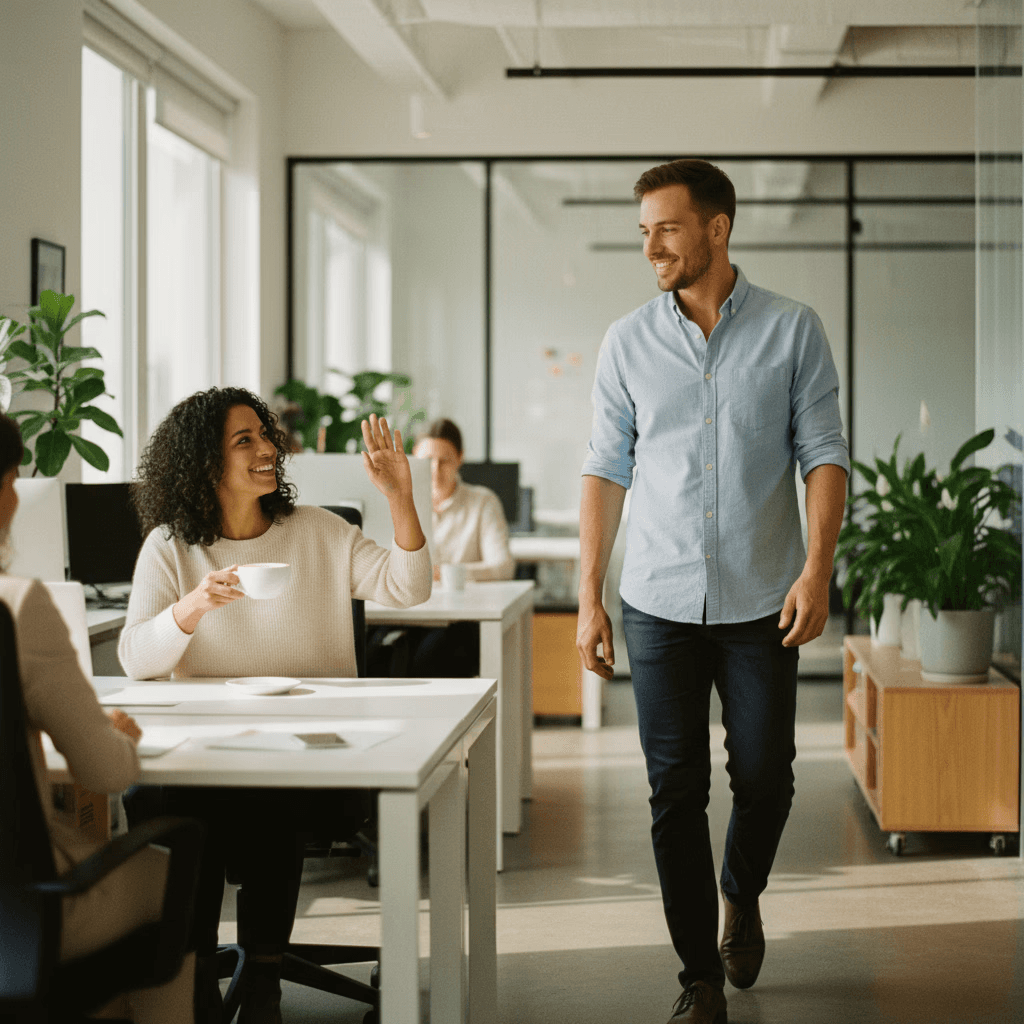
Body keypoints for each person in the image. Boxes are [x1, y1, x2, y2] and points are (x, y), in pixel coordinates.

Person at [576, 160, 849, 1024]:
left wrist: (818, 567)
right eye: (644, 231)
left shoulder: (793, 330)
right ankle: (697, 975)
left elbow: (825, 455)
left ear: (717, 228)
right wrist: (590, 594)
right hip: (657, 599)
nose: (650, 245)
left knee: (766, 778)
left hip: (763, 596)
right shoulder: (626, 341)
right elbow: (604, 470)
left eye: (667, 227)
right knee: (673, 788)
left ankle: (742, 888)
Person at [119, 387, 431, 1024]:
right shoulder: (170, 547)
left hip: (309, 757)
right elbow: (134, 658)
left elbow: (409, 587)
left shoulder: (317, 531)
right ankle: (194, 976)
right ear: (205, 463)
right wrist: (191, 608)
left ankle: (262, 976)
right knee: (178, 800)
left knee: (270, 797)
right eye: (246, 441)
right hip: (209, 754)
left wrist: (398, 496)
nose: (269, 448)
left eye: (265, 435)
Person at [0, 412, 195, 1023]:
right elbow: (107, 773)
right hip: (22, 920)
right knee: (166, 873)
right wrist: (116, 735)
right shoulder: (18, 607)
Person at [370, 417, 514, 678]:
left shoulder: (482, 502)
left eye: (444, 461)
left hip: (456, 619)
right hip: (403, 612)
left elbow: (503, 567)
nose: (435, 470)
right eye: (427, 461)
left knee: (427, 659)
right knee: (373, 654)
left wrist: (444, 573)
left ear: (460, 458)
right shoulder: (398, 502)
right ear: (412, 459)